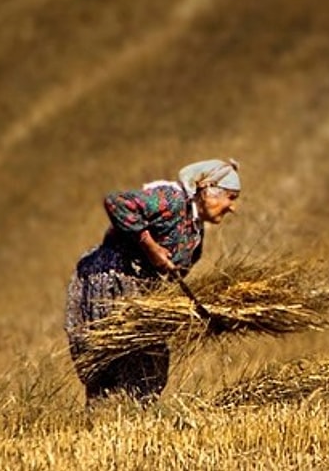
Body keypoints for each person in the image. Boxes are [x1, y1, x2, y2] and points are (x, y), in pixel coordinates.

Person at [64, 158, 241, 406]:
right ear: (207, 189)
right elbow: (118, 202)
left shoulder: (196, 231)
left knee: (147, 366)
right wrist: (150, 246)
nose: (232, 207)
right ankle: (108, 417)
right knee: (117, 361)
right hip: (112, 279)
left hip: (141, 289)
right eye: (230, 197)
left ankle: (128, 419)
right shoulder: (171, 199)